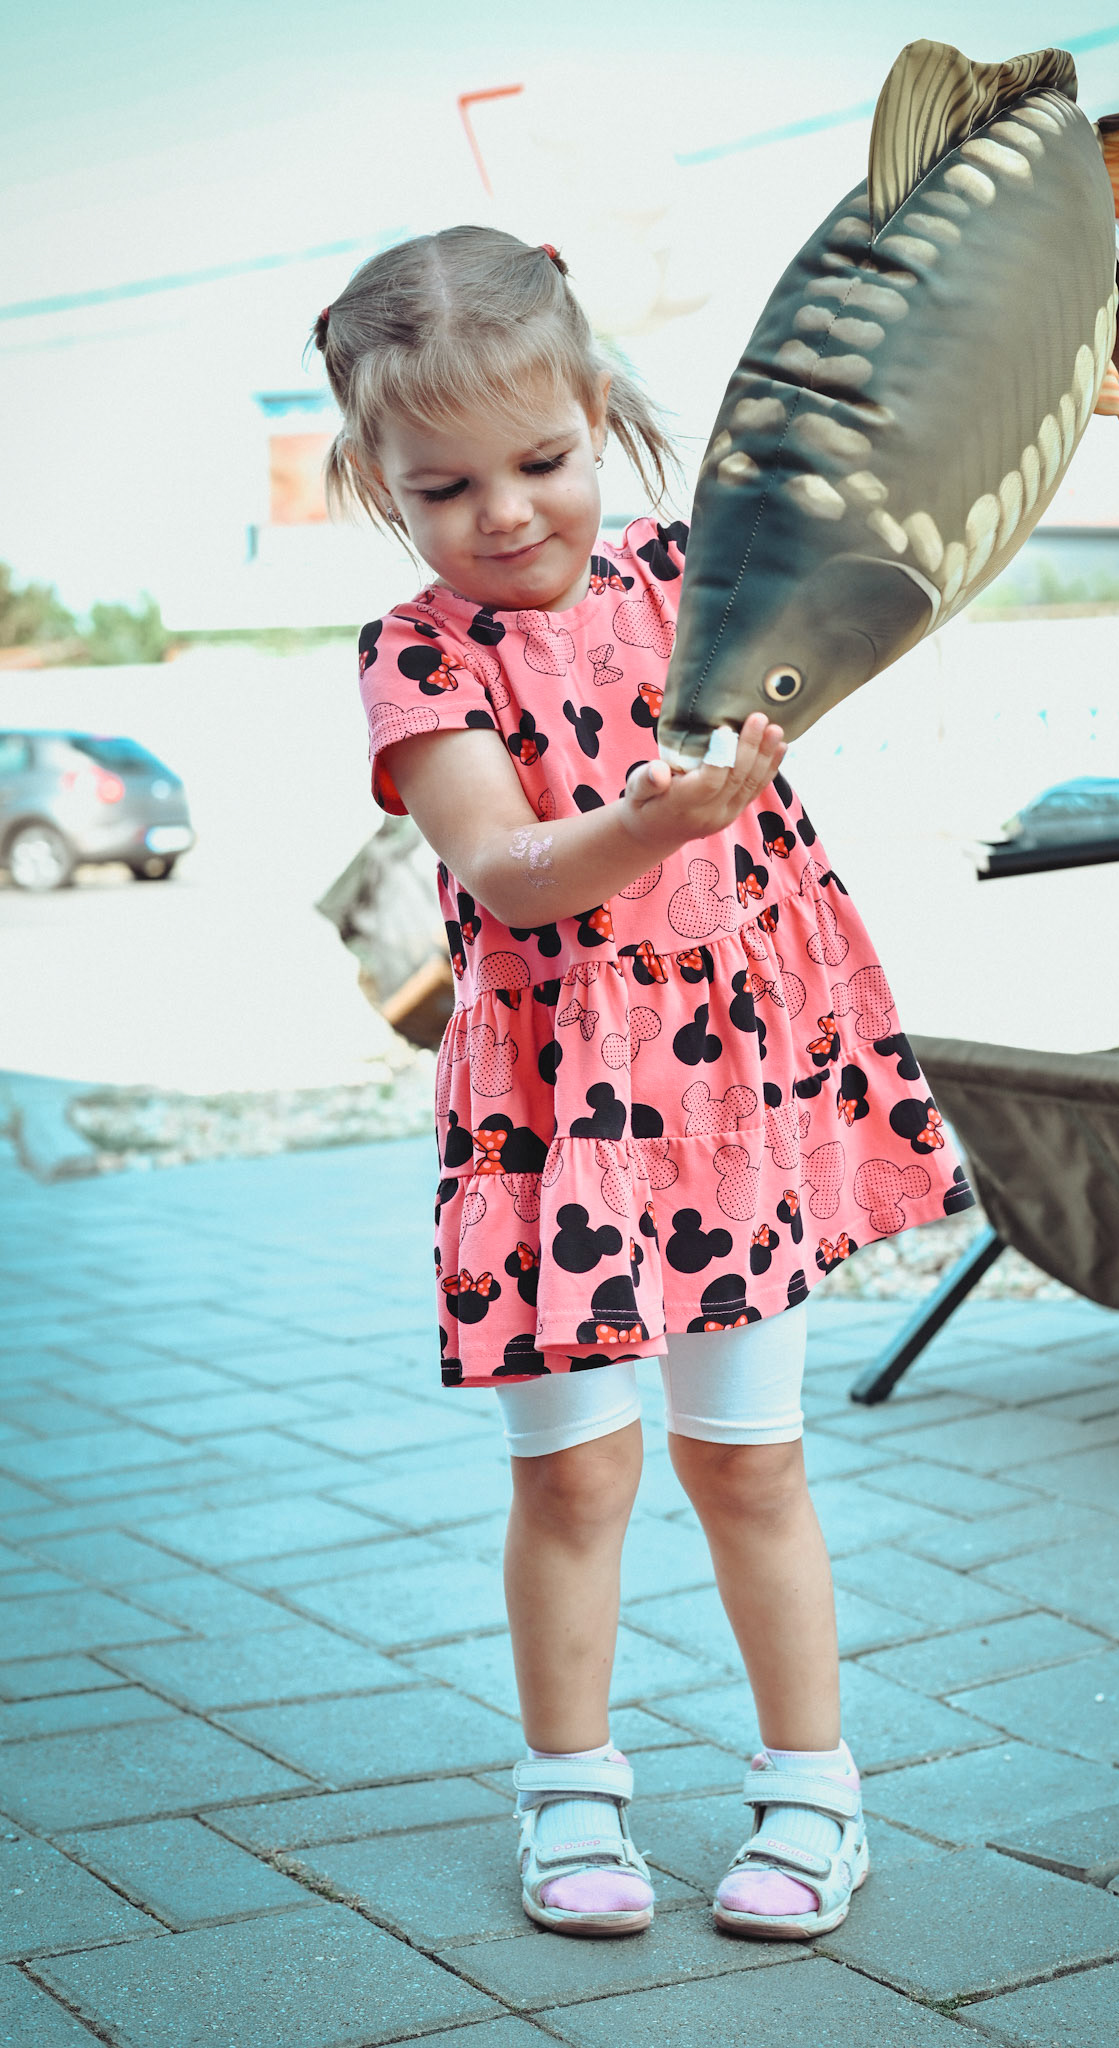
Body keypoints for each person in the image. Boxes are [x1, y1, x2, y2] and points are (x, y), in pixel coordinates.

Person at [314, 226, 972, 1942]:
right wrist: (651, 823)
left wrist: (1031, 397)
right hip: (557, 1117)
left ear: (600, 410)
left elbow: (898, 511)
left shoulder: (700, 578)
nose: (505, 512)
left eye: (542, 459)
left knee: (749, 1464)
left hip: (731, 1096)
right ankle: (568, 1790)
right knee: (574, 1478)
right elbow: (507, 867)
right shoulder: (420, 655)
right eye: (445, 485)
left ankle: (814, 1793)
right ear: (379, 484)